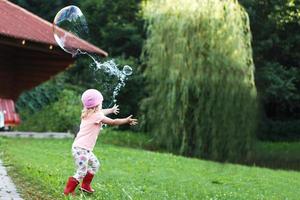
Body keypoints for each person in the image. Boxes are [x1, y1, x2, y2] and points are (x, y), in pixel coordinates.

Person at [63, 89, 137, 196]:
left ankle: (85, 186)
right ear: (97, 104)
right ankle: (68, 192)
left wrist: (111, 110)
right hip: (81, 149)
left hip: (82, 148)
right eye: (101, 102)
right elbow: (113, 122)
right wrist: (126, 120)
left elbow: (101, 112)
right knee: (81, 171)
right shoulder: (97, 116)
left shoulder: (87, 113)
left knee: (95, 165)